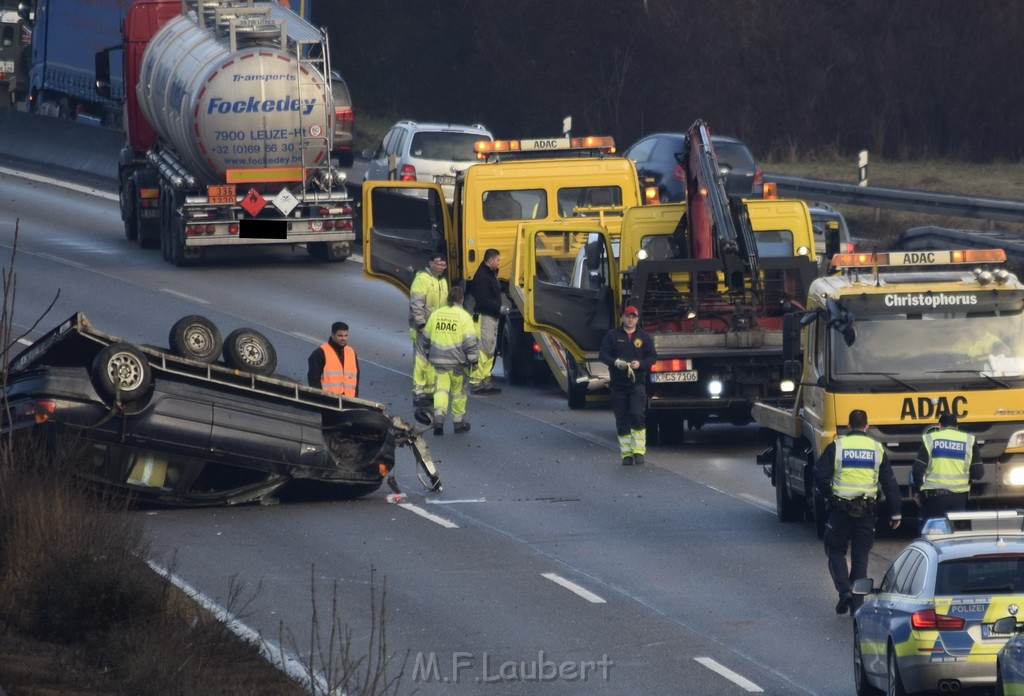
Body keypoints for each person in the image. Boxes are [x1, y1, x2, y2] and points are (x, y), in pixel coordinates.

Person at [814, 409, 902, 616]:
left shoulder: (837, 446)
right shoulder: (877, 449)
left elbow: (819, 474)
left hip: (840, 510)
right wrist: (895, 512)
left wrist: (829, 494)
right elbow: (889, 483)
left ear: (848, 424)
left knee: (835, 551)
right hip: (866, 511)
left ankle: (844, 590)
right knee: (861, 554)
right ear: (867, 425)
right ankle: (857, 605)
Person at [598, 304, 657, 466]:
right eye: (628, 316)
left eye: (633, 317)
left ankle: (638, 451)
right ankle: (626, 454)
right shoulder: (612, 335)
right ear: (622, 317)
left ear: (637, 319)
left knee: (637, 414)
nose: (630, 320)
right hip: (618, 385)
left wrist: (641, 364)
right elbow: (602, 355)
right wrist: (615, 362)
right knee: (622, 419)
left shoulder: (644, 337)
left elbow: (652, 357)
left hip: (637, 383)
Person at [420, 286, 479, 436]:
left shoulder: (436, 314)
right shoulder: (464, 317)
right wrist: (474, 361)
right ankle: (458, 423)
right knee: (458, 393)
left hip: (439, 362)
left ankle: (438, 419)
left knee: (441, 390)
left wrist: (426, 354)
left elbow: (425, 338)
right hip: (457, 363)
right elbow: (470, 342)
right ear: (462, 299)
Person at [912, 413, 983, 526]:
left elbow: (917, 469)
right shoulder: (969, 440)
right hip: (959, 499)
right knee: (955, 534)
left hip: (934, 499)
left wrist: (918, 491)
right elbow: (979, 473)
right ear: (957, 427)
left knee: (932, 532)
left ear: (939, 426)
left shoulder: (930, 438)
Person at [409, 252, 450, 407]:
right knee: (421, 361)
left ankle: (429, 390)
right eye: (439, 264)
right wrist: (421, 325)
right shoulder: (422, 279)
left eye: (444, 265)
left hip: (436, 329)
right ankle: (419, 392)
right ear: (431, 263)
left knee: (432, 362)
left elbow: (444, 306)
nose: (441, 267)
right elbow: (416, 304)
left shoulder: (442, 281)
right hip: (423, 328)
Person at [469, 248, 502, 395]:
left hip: (492, 316)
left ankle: (486, 380)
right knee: (483, 350)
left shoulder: (490, 274)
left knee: (490, 350)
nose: (498, 262)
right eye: (497, 260)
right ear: (490, 261)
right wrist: (498, 308)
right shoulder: (482, 276)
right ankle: (476, 383)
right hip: (485, 317)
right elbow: (482, 300)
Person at [307, 321, 358, 397]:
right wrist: (320, 399)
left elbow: (356, 379)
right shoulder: (320, 353)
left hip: (349, 400)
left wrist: (355, 399)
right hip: (329, 400)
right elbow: (313, 379)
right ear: (332, 335)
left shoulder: (351, 352)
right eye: (340, 336)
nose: (343, 339)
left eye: (346, 335)